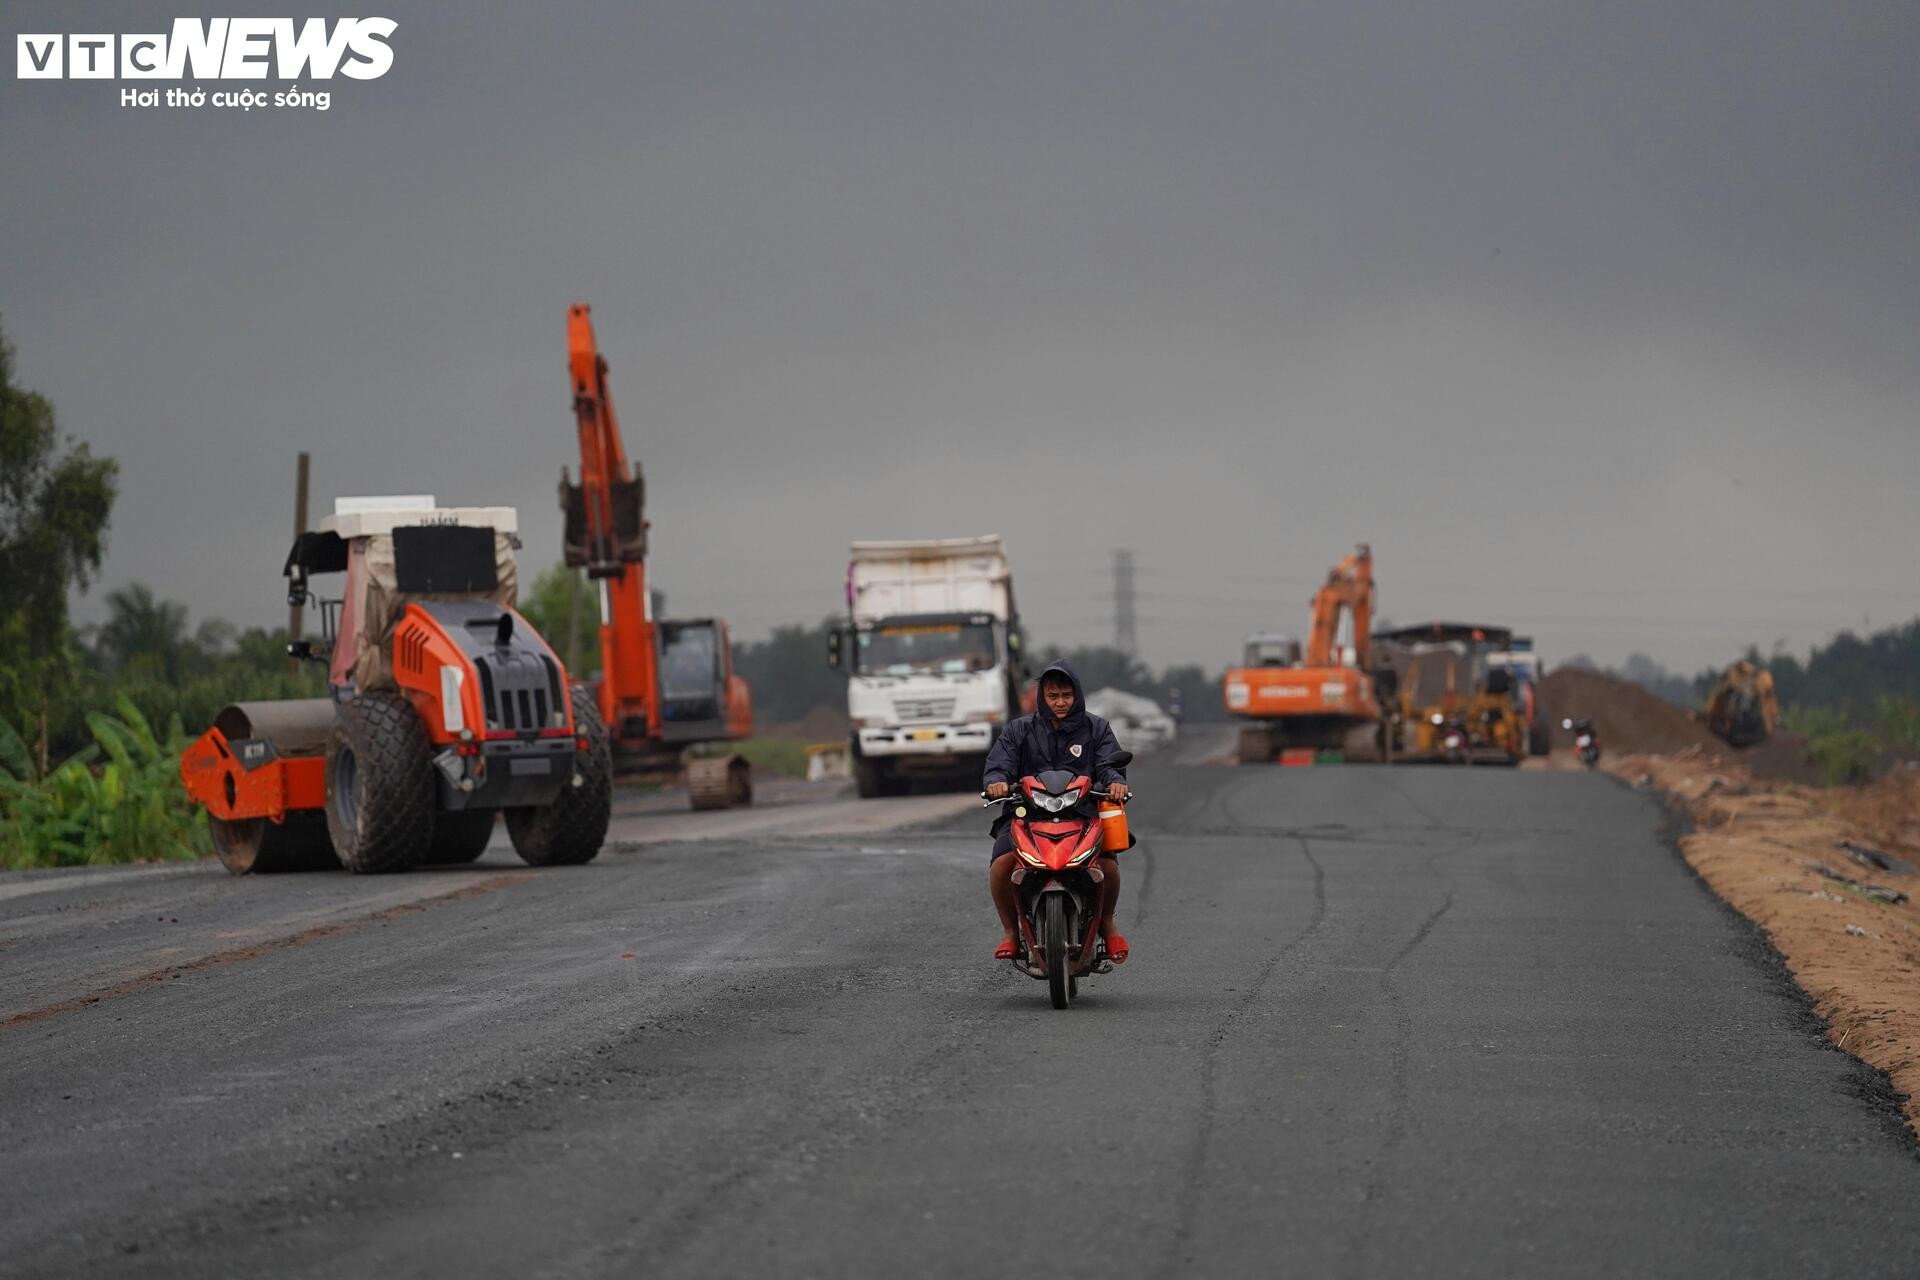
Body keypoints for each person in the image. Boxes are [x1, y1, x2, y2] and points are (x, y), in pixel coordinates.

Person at [983, 661, 1131, 962]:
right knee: (1001, 866)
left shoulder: (1096, 728)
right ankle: (1011, 932)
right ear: (1042, 697)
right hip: (1027, 813)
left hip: (1084, 813)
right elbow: (1000, 763)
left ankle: (1107, 922)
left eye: (1066, 695)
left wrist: (1115, 783)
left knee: (1109, 869)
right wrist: (997, 782)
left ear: (1076, 695)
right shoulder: (1019, 729)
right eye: (1053, 696)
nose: (1060, 702)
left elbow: (1109, 764)